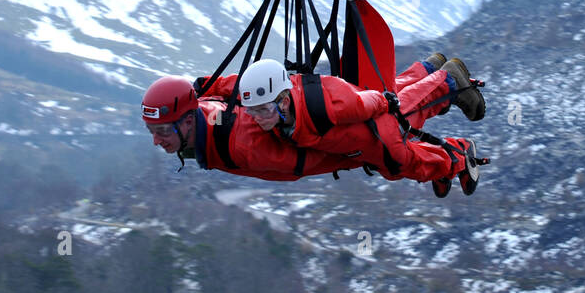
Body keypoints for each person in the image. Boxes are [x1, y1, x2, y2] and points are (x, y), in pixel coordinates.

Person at [231, 54, 484, 197]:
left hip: (376, 130)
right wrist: (203, 85)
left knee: (404, 159)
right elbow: (233, 89)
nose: (256, 117)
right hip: (363, 140)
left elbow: (362, 104)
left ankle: (449, 86)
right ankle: (431, 70)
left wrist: (387, 104)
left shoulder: (319, 108)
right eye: (251, 112)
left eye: (262, 110)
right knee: (398, 97)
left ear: (283, 101)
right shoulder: (281, 112)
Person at [141, 75, 359, 182]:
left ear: (187, 122)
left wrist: (355, 156)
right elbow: (240, 88)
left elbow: (305, 163)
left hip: (346, 139)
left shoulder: (246, 145)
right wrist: (210, 83)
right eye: (152, 131)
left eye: (162, 131)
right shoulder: (202, 109)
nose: (156, 141)